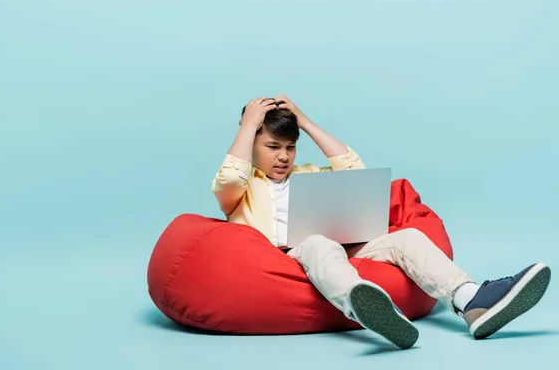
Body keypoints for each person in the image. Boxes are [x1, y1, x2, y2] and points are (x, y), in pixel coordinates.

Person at [210, 94, 551, 349]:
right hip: (291, 259)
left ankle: (471, 300)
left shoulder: (308, 175)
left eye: (289, 147)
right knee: (317, 243)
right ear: (252, 145)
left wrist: (305, 121)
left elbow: (355, 170)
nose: (283, 156)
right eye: (272, 146)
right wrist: (248, 126)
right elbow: (227, 179)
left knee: (408, 238)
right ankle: (369, 304)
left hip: (343, 251)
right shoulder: (241, 189)